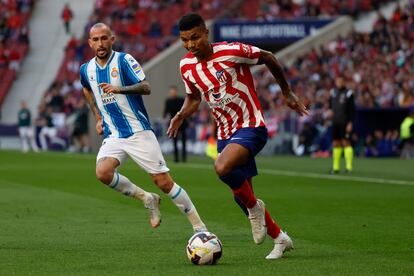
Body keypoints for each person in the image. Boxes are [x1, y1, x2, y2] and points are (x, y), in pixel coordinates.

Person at [167, 13, 309, 260]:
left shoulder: (232, 51)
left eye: (195, 38)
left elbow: (269, 57)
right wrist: (181, 114)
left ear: (206, 34)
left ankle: (255, 208)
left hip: (251, 125)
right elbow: (193, 98)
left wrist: (287, 92)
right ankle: (280, 238)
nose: (190, 45)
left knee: (222, 168)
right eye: (185, 40)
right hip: (225, 132)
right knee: (240, 195)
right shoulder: (186, 66)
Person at [79, 23, 206, 233]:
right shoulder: (87, 69)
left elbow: (146, 86)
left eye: (104, 38)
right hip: (113, 134)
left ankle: (199, 227)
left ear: (112, 39)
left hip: (138, 131)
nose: (100, 43)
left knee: (163, 182)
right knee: (103, 173)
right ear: (90, 43)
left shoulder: (124, 60)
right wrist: (98, 116)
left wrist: (119, 89)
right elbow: (86, 88)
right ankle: (147, 199)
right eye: (95, 39)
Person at [329, 76, 355, 173]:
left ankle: (349, 167)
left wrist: (350, 122)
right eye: (337, 81)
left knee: (346, 142)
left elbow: (352, 110)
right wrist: (330, 112)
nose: (339, 82)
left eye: (341, 81)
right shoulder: (333, 93)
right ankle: (336, 167)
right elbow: (330, 107)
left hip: (345, 121)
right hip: (335, 121)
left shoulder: (348, 93)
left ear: (344, 82)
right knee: (336, 143)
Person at [163, 85, 187, 162]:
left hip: (182, 123)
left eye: (174, 92)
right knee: (175, 141)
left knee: (183, 141)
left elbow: (185, 110)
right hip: (173, 123)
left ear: (176, 92)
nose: (173, 93)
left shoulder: (181, 100)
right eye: (171, 92)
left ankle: (184, 158)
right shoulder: (168, 101)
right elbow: (166, 111)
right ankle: (176, 158)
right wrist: (164, 117)